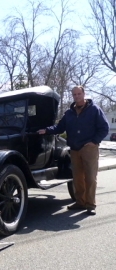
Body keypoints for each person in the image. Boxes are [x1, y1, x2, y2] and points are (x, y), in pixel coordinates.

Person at [38, 86, 109, 215]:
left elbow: (104, 128)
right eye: (74, 94)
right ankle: (80, 202)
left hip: (89, 149)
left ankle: (90, 204)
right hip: (74, 149)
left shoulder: (94, 110)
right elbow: (59, 128)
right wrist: (46, 130)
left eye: (79, 94)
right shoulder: (69, 113)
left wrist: (94, 141)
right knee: (77, 178)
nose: (77, 96)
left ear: (83, 94)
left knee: (90, 178)